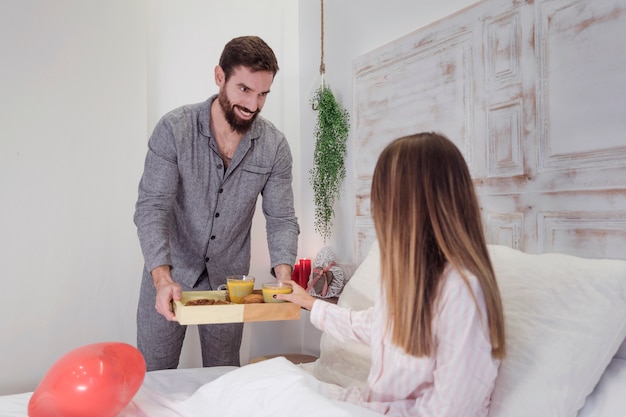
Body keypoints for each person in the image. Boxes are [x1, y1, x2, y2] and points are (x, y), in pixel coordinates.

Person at [279, 132, 506, 416]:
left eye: (383, 195)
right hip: (372, 405)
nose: (376, 207)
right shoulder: (414, 278)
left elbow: (449, 409)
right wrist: (309, 303)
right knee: (267, 386)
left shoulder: (462, 290)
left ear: (412, 204)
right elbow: (373, 325)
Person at [134, 36, 299, 371]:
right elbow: (153, 207)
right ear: (219, 77)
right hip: (169, 274)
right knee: (153, 375)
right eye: (244, 89)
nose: (254, 104)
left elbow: (281, 217)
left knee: (224, 378)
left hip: (230, 283)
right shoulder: (174, 129)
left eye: (263, 93)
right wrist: (162, 278)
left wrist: (284, 275)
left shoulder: (275, 146)